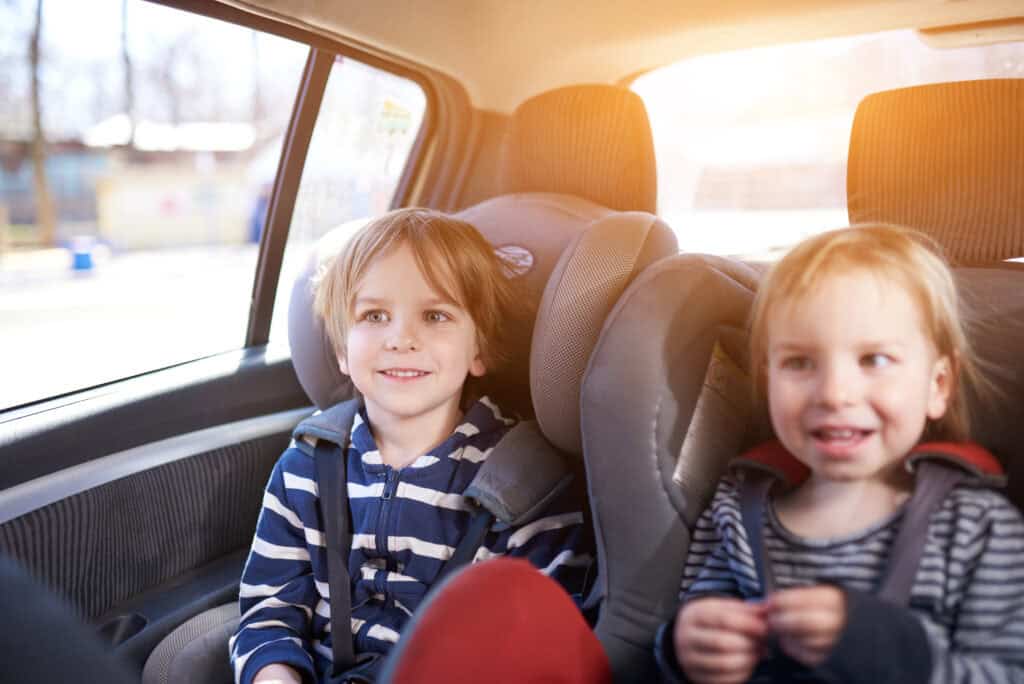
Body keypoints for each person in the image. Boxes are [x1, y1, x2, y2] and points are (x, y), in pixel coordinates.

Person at [229, 208, 591, 684]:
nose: (401, 338)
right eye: (374, 315)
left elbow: (545, 648)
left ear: (478, 349)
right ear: (341, 348)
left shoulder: (524, 487)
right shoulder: (306, 469)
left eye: (435, 315)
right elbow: (270, 612)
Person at [659, 224, 1024, 683]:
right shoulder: (736, 510)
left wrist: (890, 651)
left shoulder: (976, 526)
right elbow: (703, 623)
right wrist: (686, 650)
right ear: (767, 380)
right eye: (800, 362)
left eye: (874, 359)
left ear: (938, 386)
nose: (834, 393)